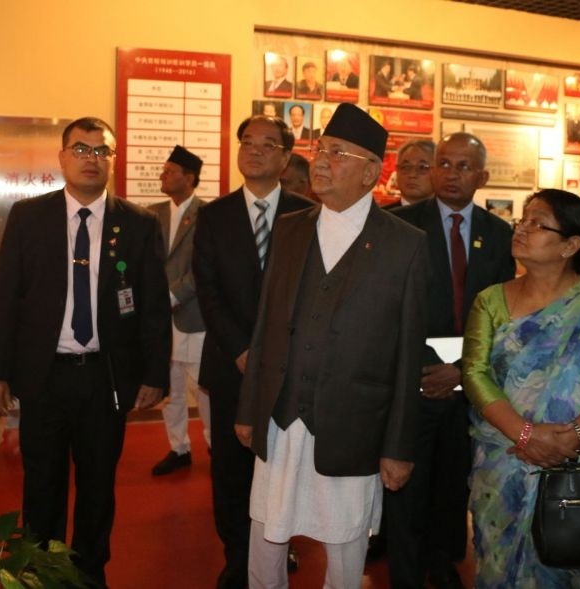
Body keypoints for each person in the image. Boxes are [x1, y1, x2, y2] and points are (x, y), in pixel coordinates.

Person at [235, 102, 428, 589]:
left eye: (338, 153)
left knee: (345, 549)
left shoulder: (405, 244)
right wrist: (249, 408)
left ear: (370, 172)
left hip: (353, 425)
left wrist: (398, 446)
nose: (321, 161)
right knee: (265, 535)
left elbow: (409, 356)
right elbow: (265, 326)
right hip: (281, 415)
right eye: (321, 150)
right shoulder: (290, 228)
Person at [0, 116, 171, 588]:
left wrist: (155, 374)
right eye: (81, 149)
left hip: (104, 378)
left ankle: (89, 576)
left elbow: (152, 306)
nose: (91, 159)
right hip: (44, 377)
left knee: (98, 487)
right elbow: (4, 298)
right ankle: (40, 575)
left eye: (101, 151)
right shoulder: (29, 218)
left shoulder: (139, 224)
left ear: (113, 160)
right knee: (41, 484)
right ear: (62, 157)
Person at [463, 189, 580, 587]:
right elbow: (475, 374)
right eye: (522, 220)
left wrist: (569, 440)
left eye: (537, 223)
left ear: (570, 245)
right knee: (497, 569)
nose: (521, 229)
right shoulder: (490, 301)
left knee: (569, 569)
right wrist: (526, 435)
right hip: (503, 464)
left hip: (578, 472)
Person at [388, 132, 515, 589]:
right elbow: (389, 310)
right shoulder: (399, 225)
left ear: (482, 176)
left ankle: (442, 563)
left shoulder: (499, 234)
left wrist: (460, 372)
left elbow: (502, 314)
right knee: (406, 484)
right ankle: (404, 573)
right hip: (414, 379)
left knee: (453, 481)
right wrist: (428, 369)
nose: (451, 174)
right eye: (443, 163)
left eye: (464, 166)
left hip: (469, 381)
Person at [193, 115, 313, 589]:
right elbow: (208, 293)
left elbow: (312, 294)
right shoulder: (214, 215)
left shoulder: (308, 215)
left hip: (289, 369)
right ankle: (237, 557)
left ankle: (280, 546)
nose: (255, 150)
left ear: (285, 158)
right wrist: (242, 350)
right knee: (230, 468)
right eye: (247, 142)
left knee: (284, 465)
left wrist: (275, 355)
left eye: (268, 144)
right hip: (231, 364)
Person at [149, 145, 211, 476]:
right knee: (170, 390)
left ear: (189, 178)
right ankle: (178, 448)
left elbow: (205, 267)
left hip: (194, 317)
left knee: (204, 390)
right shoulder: (152, 214)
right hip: (161, 320)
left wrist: (172, 295)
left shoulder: (208, 214)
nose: (163, 175)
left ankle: (216, 446)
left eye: (170, 171)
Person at [388, 138, 435, 208]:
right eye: (406, 167)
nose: (412, 175)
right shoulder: (379, 214)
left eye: (422, 167)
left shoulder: (447, 214)